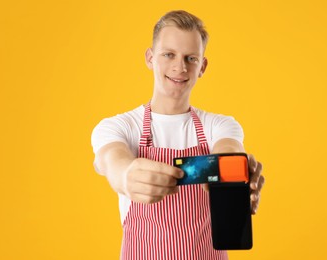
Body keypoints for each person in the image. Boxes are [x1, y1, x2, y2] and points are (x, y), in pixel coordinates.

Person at [91, 10, 265, 260]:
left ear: (202, 66)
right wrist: (126, 175)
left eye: (191, 58)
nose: (179, 67)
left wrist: (234, 177)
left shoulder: (220, 126)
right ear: (150, 58)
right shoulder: (120, 126)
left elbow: (228, 150)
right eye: (168, 54)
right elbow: (111, 160)